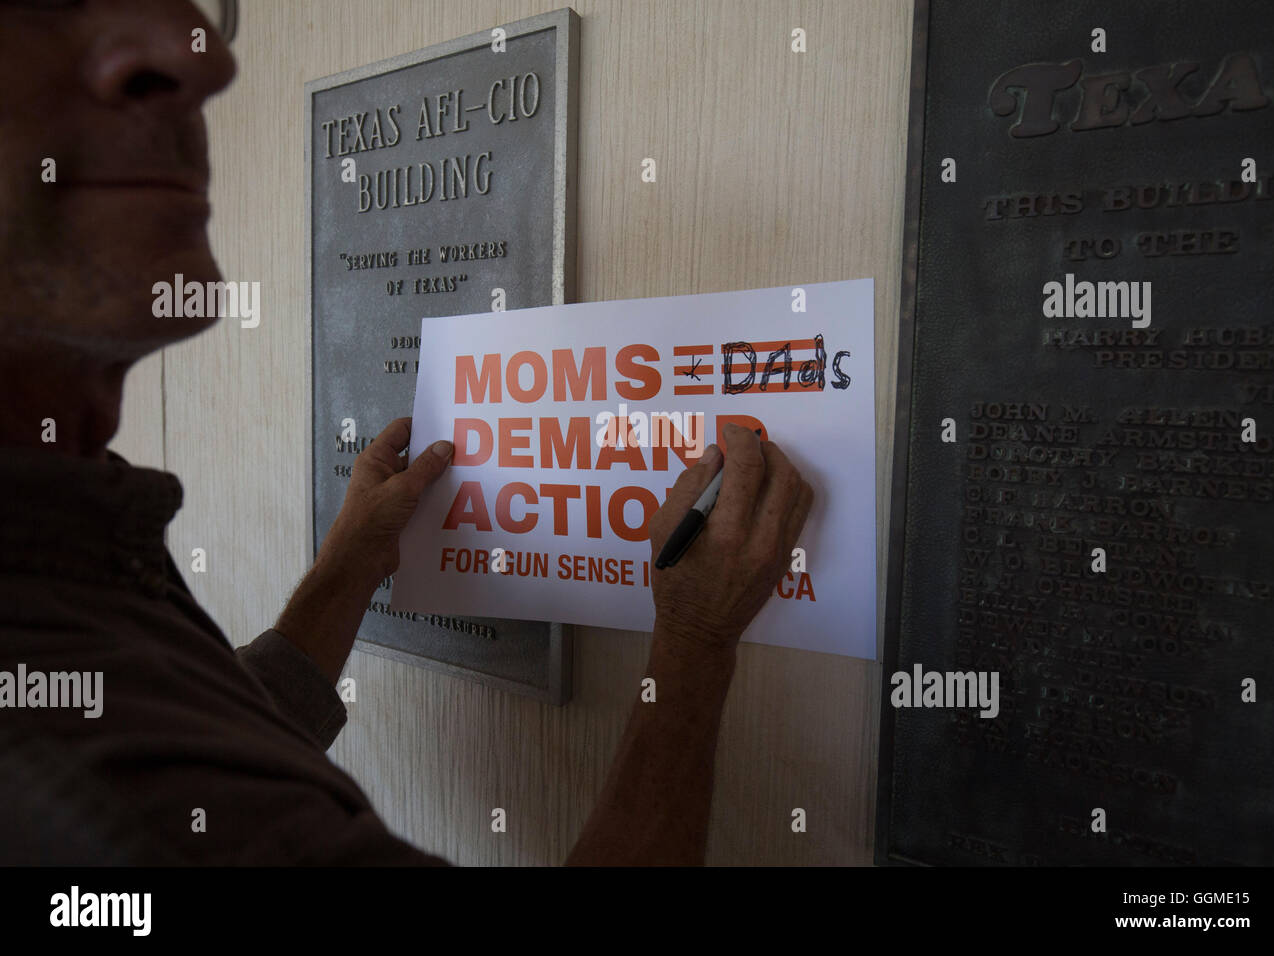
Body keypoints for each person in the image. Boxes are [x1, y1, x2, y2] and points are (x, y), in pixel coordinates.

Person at [0, 0, 813, 865]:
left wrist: (351, 565)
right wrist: (695, 645)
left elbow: (206, 747)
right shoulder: (66, 780)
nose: (203, 58)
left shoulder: (65, 526)